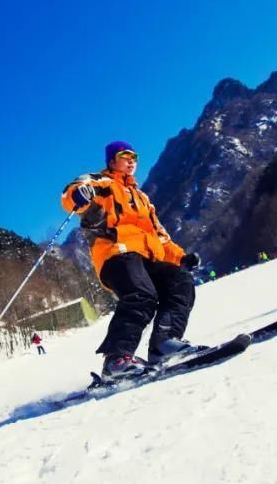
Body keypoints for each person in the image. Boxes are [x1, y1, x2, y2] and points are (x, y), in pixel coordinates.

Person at [61, 141, 201, 376]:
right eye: (125, 156)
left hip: (148, 258)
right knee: (142, 294)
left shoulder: (143, 198)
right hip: (116, 254)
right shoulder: (101, 183)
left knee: (181, 282)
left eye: (134, 156)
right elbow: (71, 193)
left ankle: (164, 343)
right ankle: (117, 359)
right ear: (112, 161)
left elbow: (160, 236)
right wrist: (78, 194)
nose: (131, 160)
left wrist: (181, 258)